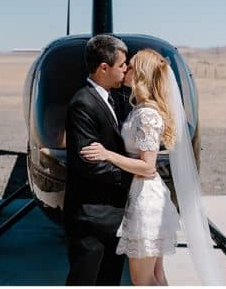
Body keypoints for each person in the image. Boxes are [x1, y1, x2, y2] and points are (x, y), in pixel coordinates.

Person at [80, 48, 220, 285]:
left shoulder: (146, 114)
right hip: (147, 196)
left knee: (142, 280)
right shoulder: (143, 109)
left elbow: (147, 167)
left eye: (131, 66)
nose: (125, 69)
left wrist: (107, 155)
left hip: (146, 202)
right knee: (156, 277)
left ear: (141, 73)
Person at [64, 34, 148, 285]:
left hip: (114, 215)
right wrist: (137, 173)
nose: (126, 70)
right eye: (122, 65)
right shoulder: (83, 103)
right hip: (92, 217)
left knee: (109, 280)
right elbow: (92, 164)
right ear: (104, 68)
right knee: (85, 281)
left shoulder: (114, 98)